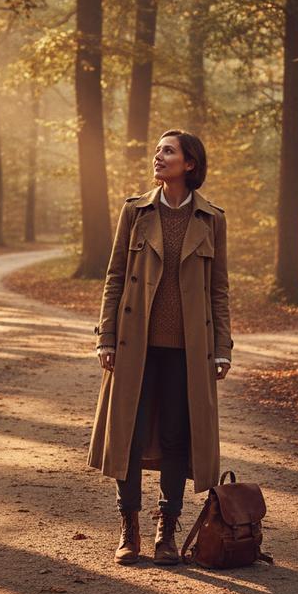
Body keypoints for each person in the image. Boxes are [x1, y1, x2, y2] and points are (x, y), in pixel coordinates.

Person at [87, 129, 233, 565]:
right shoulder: (135, 211)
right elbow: (115, 278)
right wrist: (106, 337)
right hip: (137, 345)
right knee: (127, 434)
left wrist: (222, 347)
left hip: (188, 349)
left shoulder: (211, 219)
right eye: (157, 151)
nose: (158, 156)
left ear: (190, 164)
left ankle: (165, 531)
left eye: (168, 151)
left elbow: (219, 289)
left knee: (175, 438)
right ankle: (128, 528)